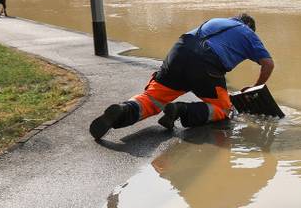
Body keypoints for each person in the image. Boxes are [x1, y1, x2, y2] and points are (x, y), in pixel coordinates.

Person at [90, 13, 275, 140]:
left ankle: (122, 111)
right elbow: (268, 64)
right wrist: (254, 87)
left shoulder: (216, 21)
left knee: (152, 99)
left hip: (179, 52)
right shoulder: (248, 33)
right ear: (250, 27)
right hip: (207, 63)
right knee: (224, 109)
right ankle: (180, 110)